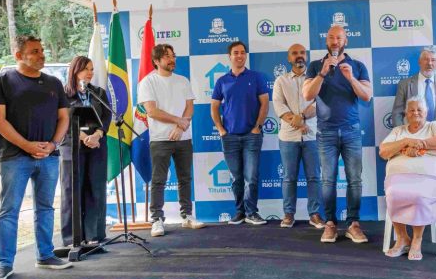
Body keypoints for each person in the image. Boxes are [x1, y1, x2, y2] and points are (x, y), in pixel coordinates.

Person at [0, 36, 71, 279]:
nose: (41, 55)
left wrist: (53, 145)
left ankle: (45, 255)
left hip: (49, 157)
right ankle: (4, 264)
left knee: (45, 208)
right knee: (9, 210)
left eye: (42, 50)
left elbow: (64, 118)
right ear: (18, 55)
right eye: (35, 51)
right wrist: (27, 145)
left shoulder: (54, 82)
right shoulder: (1, 81)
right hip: (15, 157)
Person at [303, 25, 372, 244]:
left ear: (345, 41)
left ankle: (353, 224)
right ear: (326, 41)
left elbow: (367, 96)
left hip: (352, 131)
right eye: (331, 38)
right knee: (328, 180)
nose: (335, 41)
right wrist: (323, 72)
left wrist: (351, 79)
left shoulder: (357, 66)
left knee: (354, 180)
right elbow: (307, 95)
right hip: (326, 132)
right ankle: (330, 224)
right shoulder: (315, 66)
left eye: (339, 38)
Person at [139, 44, 205, 237]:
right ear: (156, 61)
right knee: (158, 180)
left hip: (183, 137)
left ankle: (187, 216)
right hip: (160, 139)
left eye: (173, 56)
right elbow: (152, 111)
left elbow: (189, 107)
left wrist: (180, 127)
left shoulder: (183, 81)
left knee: (185, 178)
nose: (172, 59)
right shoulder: (148, 82)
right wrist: (177, 121)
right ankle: (157, 219)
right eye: (167, 56)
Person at [379, 97, 436, 260]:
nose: (415, 113)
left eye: (419, 110)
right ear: (406, 113)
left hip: (429, 176)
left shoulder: (434, 126)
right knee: (393, 194)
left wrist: (420, 144)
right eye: (411, 110)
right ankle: (402, 238)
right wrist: (406, 141)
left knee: (419, 195)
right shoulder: (398, 131)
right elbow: (383, 151)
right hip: (399, 176)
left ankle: (417, 239)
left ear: (426, 112)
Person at [211, 41, 269, 226]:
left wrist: (257, 127)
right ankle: (240, 212)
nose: (240, 55)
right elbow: (214, 107)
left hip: (252, 136)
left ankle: (252, 212)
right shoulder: (222, 81)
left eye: (243, 52)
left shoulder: (256, 77)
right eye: (236, 53)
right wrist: (221, 130)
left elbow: (265, 103)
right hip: (230, 137)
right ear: (230, 56)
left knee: (251, 177)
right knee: (236, 178)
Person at [59, 56, 111, 246]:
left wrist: (97, 135)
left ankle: (94, 235)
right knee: (71, 190)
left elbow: (106, 117)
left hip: (96, 146)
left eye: (92, 69)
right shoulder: (64, 94)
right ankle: (72, 238)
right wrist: (83, 137)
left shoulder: (98, 92)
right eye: (86, 69)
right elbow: (61, 120)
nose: (90, 73)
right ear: (75, 71)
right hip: (72, 146)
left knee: (95, 189)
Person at [272, 43, 324, 229]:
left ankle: (314, 214)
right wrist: (298, 122)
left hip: (312, 136)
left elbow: (320, 103)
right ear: (289, 58)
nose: (299, 56)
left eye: (302, 52)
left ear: (306, 56)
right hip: (288, 137)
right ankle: (288, 214)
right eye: (294, 53)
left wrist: (301, 117)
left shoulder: (316, 80)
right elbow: (278, 105)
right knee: (289, 177)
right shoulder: (281, 81)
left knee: (314, 177)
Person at [391, 46, 436, 129]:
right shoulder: (405, 84)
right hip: (412, 133)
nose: (429, 63)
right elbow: (397, 113)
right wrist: (402, 132)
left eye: (433, 60)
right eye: (426, 59)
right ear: (419, 61)